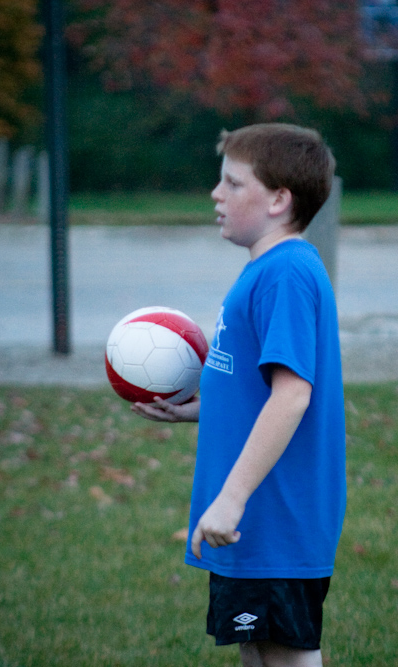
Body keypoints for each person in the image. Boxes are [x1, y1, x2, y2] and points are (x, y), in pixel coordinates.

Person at [131, 123, 346, 667]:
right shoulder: (264, 271)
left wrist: (231, 499)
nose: (216, 193)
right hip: (256, 520)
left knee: (286, 656)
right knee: (259, 652)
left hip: (274, 514)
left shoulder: (287, 272)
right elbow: (258, 389)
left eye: (232, 183)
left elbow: (293, 396)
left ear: (279, 199)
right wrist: (195, 412)